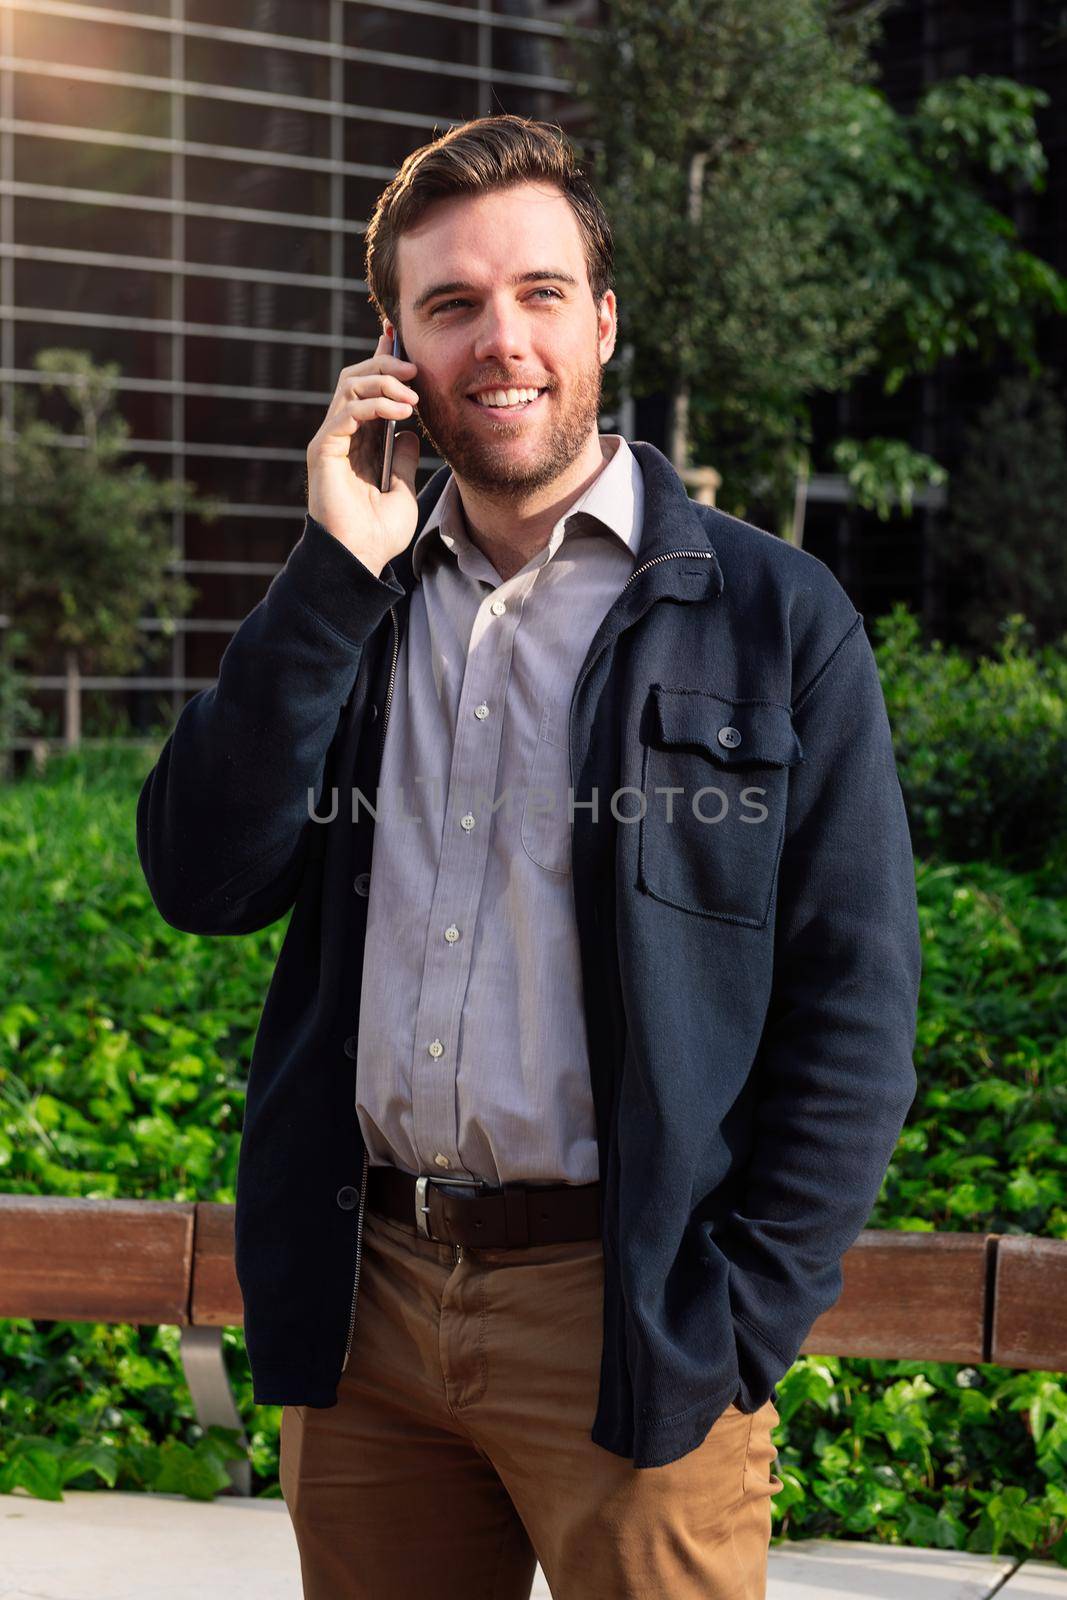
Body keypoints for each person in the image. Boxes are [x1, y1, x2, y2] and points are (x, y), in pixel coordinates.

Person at [136, 113, 922, 1599]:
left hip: (630, 1323)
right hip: (366, 1323)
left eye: (540, 292)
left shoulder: (773, 614)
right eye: (453, 306)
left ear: (603, 318)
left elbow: (859, 1007)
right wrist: (325, 575)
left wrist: (740, 1319)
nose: (503, 341)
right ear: (396, 350)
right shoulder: (352, 594)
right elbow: (200, 876)